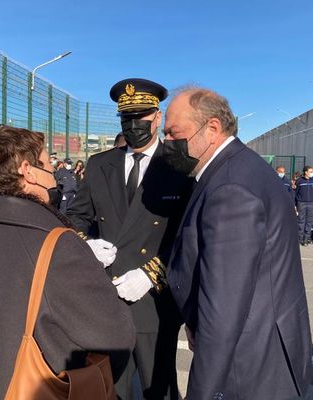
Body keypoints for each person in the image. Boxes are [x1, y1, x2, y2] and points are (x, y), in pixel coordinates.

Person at [0, 126, 135, 399]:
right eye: (47, 162)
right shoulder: (57, 241)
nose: (52, 171)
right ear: (28, 170)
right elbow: (116, 334)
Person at [163, 88, 312, 399]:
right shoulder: (236, 169)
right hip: (260, 354)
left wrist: (202, 393)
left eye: (174, 133)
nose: (167, 143)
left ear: (213, 128)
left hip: (247, 367)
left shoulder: (229, 187)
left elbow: (224, 307)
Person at [67, 78, 192, 400]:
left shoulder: (181, 165)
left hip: (153, 297)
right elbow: (77, 216)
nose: (135, 126)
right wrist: (87, 243)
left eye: (142, 118)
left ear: (158, 117)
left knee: (158, 387)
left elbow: (188, 235)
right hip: (107, 294)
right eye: (127, 119)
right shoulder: (99, 165)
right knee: (110, 388)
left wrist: (151, 273)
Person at [295, 165, 313, 246]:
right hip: (301, 203)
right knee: (301, 220)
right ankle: (299, 238)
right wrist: (295, 204)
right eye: (310, 172)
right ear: (305, 172)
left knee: (309, 221)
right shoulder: (299, 181)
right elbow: (296, 193)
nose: (312, 173)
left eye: (312, 171)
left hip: (311, 203)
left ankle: (306, 238)